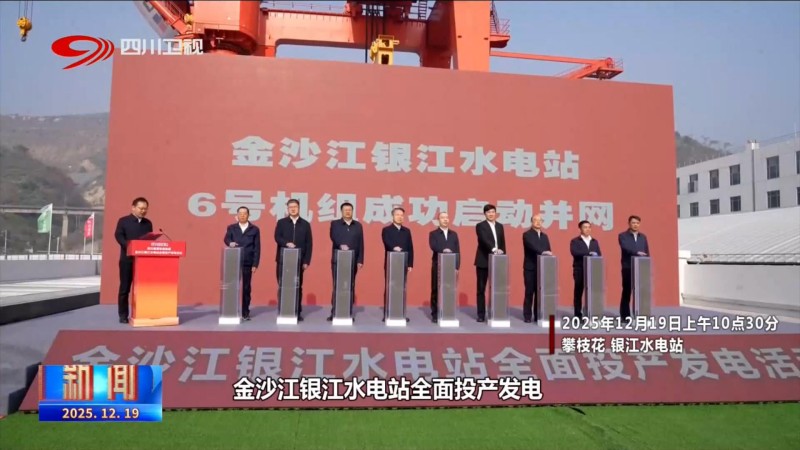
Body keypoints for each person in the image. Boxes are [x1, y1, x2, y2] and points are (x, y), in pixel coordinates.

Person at [114, 197, 153, 323]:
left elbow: (149, 239)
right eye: (141, 208)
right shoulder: (123, 221)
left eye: (145, 209)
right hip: (127, 260)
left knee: (142, 288)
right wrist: (129, 246)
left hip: (142, 261)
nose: (143, 211)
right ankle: (123, 315)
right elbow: (118, 236)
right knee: (125, 289)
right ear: (133, 208)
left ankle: (141, 312)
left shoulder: (148, 223)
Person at [274, 198, 313, 321]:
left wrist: (306, 261)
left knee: (297, 286)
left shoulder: (305, 224)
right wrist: (286, 243)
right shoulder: (281, 222)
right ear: (287, 209)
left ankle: (297, 311)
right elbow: (277, 237)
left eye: (295, 207)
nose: (293, 209)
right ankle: (283, 310)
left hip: (298, 262)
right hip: (283, 260)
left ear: (299, 208)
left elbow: (309, 243)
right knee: (283, 285)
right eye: (290, 207)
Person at [327, 202, 364, 321]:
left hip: (352, 261)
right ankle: (335, 312)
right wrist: (340, 245)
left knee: (350, 286)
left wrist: (360, 260)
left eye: (349, 210)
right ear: (341, 211)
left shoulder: (358, 225)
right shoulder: (335, 224)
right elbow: (333, 236)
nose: (348, 212)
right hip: (338, 261)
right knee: (337, 286)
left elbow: (361, 243)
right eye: (345, 210)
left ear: (352, 211)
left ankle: (348, 312)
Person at [224, 206, 261, 321]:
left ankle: (245, 312)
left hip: (247, 262)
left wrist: (255, 264)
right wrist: (230, 243)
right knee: (232, 286)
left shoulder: (254, 229)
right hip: (233, 261)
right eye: (240, 213)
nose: (242, 215)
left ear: (248, 215)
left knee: (246, 288)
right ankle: (231, 311)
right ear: (237, 215)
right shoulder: (231, 228)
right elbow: (226, 239)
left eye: (245, 213)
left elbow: (257, 248)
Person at [474, 204, 506, 322]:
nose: (491, 214)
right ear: (485, 214)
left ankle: (496, 312)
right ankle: (481, 314)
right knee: (481, 289)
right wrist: (493, 249)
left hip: (498, 261)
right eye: (488, 212)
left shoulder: (500, 226)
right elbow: (483, 240)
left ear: (495, 213)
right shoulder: (480, 226)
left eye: (492, 212)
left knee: (497, 288)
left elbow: (502, 242)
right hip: (483, 260)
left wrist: (502, 254)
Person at [381, 207, 414, 322]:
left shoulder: (407, 231)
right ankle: (388, 313)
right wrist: (394, 248)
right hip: (391, 262)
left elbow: (410, 247)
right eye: (397, 215)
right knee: (390, 287)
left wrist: (410, 263)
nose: (400, 217)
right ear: (393, 216)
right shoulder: (386, 230)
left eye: (401, 215)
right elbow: (386, 242)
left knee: (401, 288)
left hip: (403, 263)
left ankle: (401, 313)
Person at [428, 211, 460, 323]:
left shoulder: (454, 234)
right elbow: (433, 246)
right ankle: (435, 314)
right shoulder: (433, 234)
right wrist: (443, 250)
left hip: (450, 266)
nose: (445, 219)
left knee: (449, 289)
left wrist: (457, 266)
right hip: (438, 264)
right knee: (436, 289)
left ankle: (448, 311)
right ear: (439, 220)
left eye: (447, 217)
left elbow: (457, 251)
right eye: (442, 218)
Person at [618, 215, 650, 321]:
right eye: (633, 223)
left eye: (637, 223)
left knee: (641, 292)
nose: (635, 225)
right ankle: (625, 316)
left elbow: (646, 251)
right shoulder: (622, 236)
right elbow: (625, 248)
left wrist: (647, 263)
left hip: (641, 268)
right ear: (629, 223)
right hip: (628, 267)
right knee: (627, 291)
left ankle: (641, 315)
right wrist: (636, 253)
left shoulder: (643, 237)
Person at [522, 214, 552, 323]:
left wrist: (547, 254)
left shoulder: (545, 236)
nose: (538, 222)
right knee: (529, 292)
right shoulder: (527, 235)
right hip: (530, 268)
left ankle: (537, 315)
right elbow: (532, 246)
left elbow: (548, 249)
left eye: (540, 220)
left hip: (542, 268)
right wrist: (543, 252)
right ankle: (527, 315)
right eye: (535, 220)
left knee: (540, 293)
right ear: (532, 221)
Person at [569, 220, 601, 319]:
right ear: (580, 229)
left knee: (592, 293)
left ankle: (591, 313)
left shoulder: (594, 241)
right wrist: (589, 253)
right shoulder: (575, 241)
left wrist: (595, 255)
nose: (587, 229)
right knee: (578, 293)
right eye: (585, 227)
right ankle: (578, 315)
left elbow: (599, 254)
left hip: (592, 271)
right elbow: (575, 252)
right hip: (580, 269)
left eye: (589, 227)